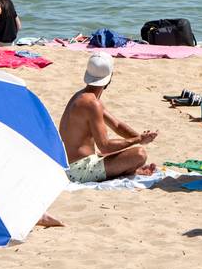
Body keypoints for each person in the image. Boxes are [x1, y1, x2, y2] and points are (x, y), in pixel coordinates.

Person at [57, 55, 158, 183]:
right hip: (78, 171)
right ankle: (130, 171)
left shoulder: (84, 97)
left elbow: (117, 125)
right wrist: (137, 140)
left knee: (127, 154)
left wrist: (141, 137)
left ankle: (129, 170)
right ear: (109, 78)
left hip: (72, 164)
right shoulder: (92, 104)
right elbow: (105, 147)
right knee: (139, 154)